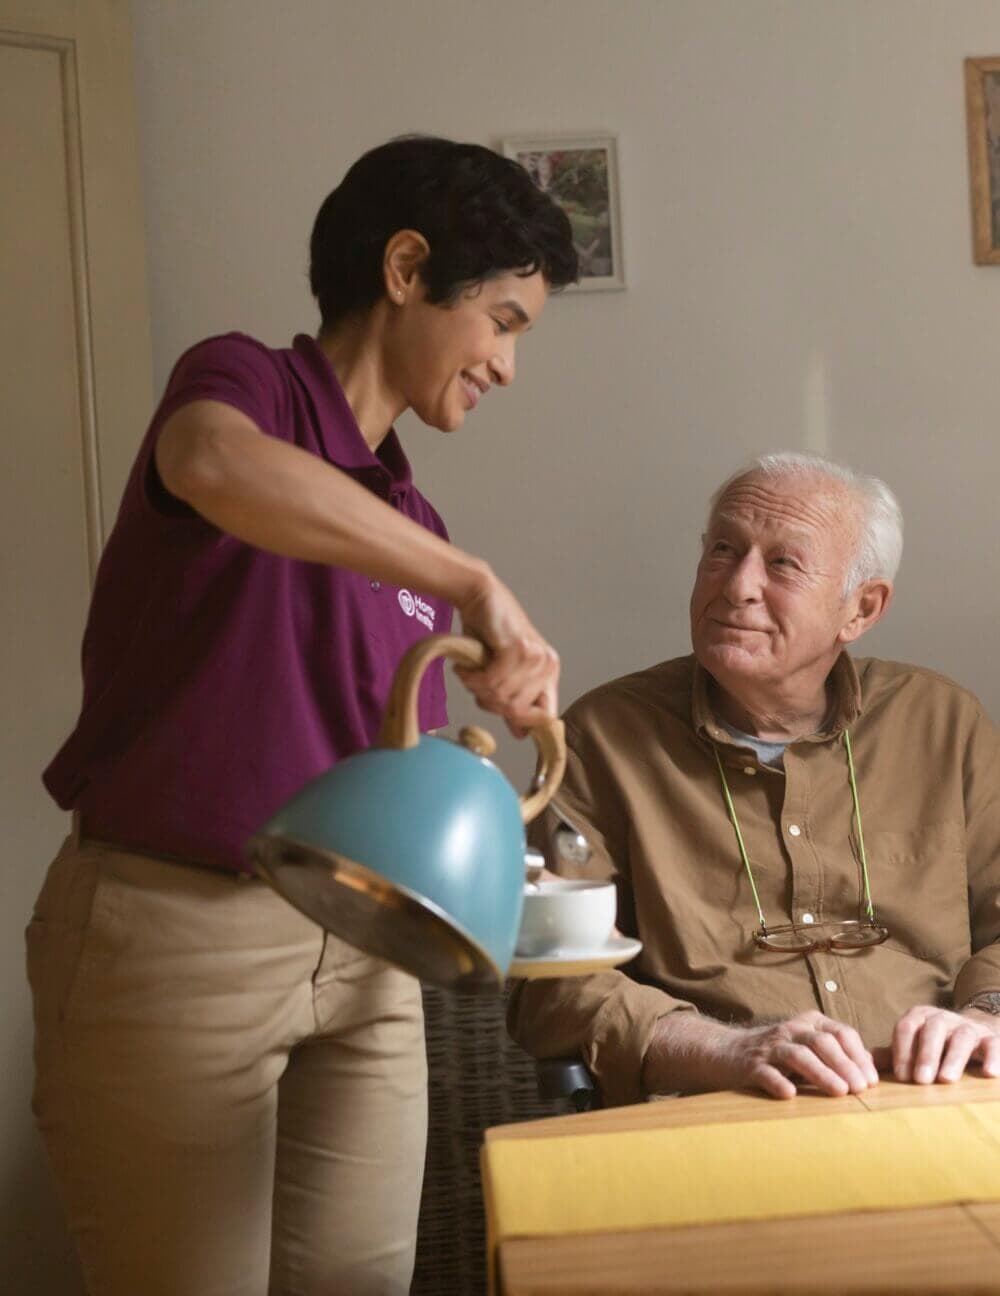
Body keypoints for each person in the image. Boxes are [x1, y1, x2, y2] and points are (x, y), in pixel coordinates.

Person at [27, 136, 577, 1296]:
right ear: (406, 268)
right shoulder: (244, 385)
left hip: (366, 950)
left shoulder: (404, 509)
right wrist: (474, 580)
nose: (508, 368)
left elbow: (363, 765)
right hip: (179, 934)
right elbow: (216, 466)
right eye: (505, 322)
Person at [509, 452, 1000, 1108]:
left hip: (941, 1098)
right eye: (722, 549)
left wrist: (984, 1017)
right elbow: (549, 986)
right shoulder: (602, 740)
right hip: (731, 1110)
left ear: (860, 610)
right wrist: (722, 1049)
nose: (737, 585)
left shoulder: (943, 723)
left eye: (782, 563)